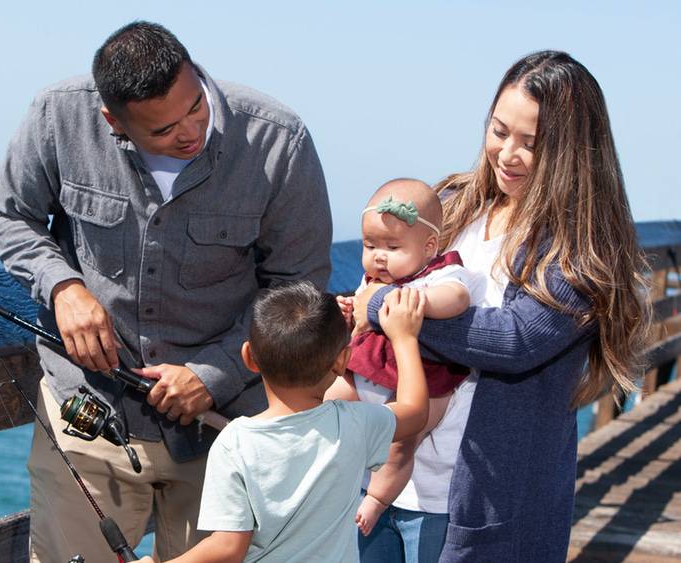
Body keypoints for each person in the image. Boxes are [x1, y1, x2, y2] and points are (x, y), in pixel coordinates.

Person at [0, 21, 332, 562]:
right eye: (164, 130)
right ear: (111, 121)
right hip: (87, 411)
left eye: (196, 107)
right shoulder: (58, 114)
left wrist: (214, 373)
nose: (190, 132)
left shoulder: (278, 140)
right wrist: (63, 288)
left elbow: (299, 286)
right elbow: (10, 216)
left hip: (226, 434)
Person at [354, 50, 649, 562]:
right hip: (380, 480)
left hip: (475, 498)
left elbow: (513, 340)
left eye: (531, 143)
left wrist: (381, 305)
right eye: (499, 130)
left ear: (572, 152)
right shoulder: (452, 203)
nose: (507, 153)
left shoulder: (579, 250)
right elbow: (389, 267)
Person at [136, 281, 429, 563]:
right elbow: (414, 412)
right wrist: (405, 338)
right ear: (342, 362)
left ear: (249, 357)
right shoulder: (353, 424)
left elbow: (228, 548)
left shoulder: (234, 444)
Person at [326, 178, 477, 537]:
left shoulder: (445, 273)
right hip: (369, 368)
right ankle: (324, 474)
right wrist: (350, 311)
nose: (379, 255)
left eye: (393, 246)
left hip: (426, 377)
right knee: (328, 404)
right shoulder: (372, 279)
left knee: (400, 440)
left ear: (428, 247)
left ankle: (377, 498)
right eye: (369, 244)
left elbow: (457, 299)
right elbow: (363, 318)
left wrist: (416, 302)